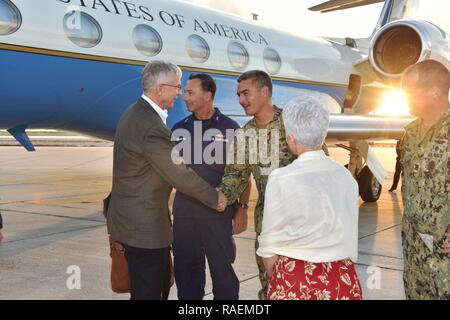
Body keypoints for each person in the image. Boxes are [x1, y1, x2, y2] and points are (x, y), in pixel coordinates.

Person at [106, 61, 226, 300]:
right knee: (150, 292)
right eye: (176, 87)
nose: (180, 93)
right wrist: (215, 198)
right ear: (160, 89)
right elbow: (178, 173)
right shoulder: (151, 126)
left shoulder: (135, 112)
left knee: (144, 290)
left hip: (130, 224)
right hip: (144, 231)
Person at [219, 70, 328, 299]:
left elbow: (320, 167)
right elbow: (235, 175)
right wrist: (219, 197)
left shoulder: (293, 124)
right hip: (268, 225)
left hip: (303, 224)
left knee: (306, 287)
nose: (241, 100)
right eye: (238, 94)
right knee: (271, 286)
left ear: (264, 91)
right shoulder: (246, 134)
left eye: (246, 93)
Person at [256, 95, 362, 300]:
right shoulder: (346, 177)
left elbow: (269, 247)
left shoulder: (281, 178)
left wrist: (281, 278)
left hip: (295, 278)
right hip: (341, 279)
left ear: (291, 139)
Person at [171, 73, 251, 300]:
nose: (184, 97)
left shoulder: (231, 129)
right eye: (184, 92)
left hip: (218, 215)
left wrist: (242, 209)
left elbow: (243, 175)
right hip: (185, 215)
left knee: (223, 274)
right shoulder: (179, 130)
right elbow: (169, 173)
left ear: (207, 95)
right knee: (187, 275)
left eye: (190, 92)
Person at [400, 59, 450, 300]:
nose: (404, 96)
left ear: (434, 92)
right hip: (414, 253)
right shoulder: (409, 134)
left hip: (445, 259)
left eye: (410, 91)